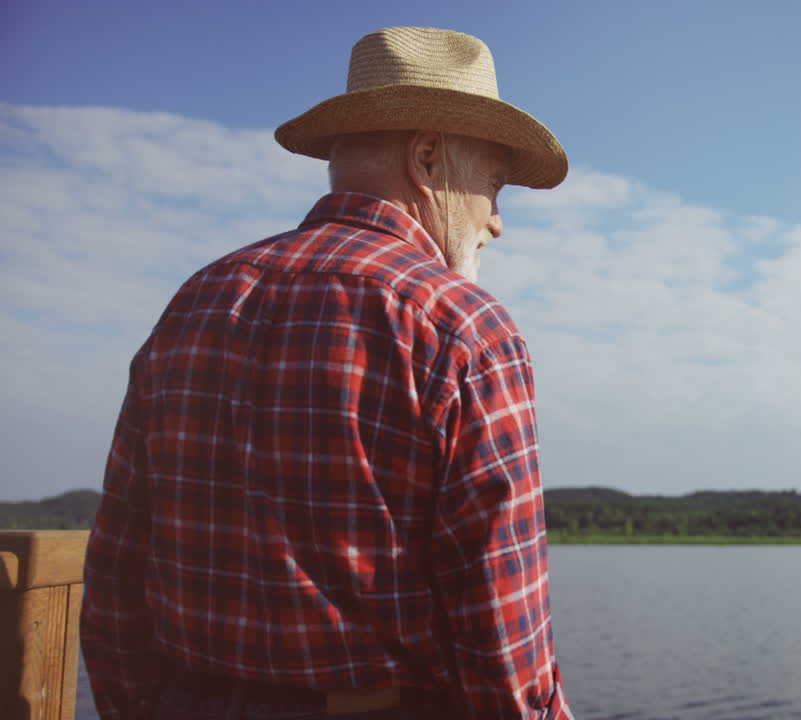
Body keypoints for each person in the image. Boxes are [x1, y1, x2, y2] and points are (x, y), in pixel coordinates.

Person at [81, 27, 574, 719]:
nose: (496, 221)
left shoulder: (195, 300)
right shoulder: (465, 329)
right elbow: (503, 632)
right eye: (493, 185)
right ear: (427, 157)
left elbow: (115, 576)